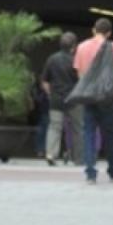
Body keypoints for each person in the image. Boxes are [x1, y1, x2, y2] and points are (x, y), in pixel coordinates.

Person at [74, 17, 113, 184]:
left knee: (89, 132)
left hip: (89, 95)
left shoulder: (81, 46)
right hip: (107, 96)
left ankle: (90, 172)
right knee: (111, 134)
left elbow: (79, 73)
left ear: (93, 30)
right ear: (109, 33)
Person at [41, 32, 85, 166]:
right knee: (78, 128)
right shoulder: (76, 60)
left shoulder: (52, 59)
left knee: (54, 127)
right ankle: (78, 158)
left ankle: (51, 154)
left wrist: (50, 93)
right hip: (74, 100)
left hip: (56, 99)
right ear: (74, 46)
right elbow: (82, 80)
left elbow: (45, 81)